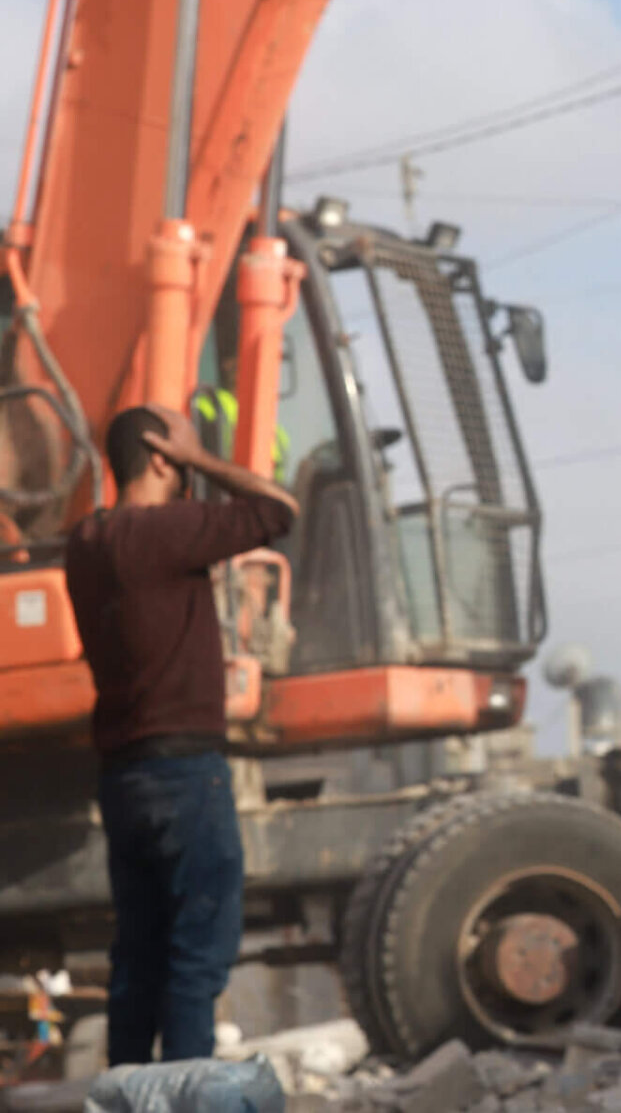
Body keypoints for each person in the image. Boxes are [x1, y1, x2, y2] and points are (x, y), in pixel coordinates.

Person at [65, 406, 296, 1065]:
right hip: (187, 774)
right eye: (177, 455)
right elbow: (279, 509)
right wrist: (201, 460)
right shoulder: (166, 534)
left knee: (138, 961)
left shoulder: (85, 544)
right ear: (161, 458)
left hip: (123, 778)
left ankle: (131, 1099)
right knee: (196, 961)